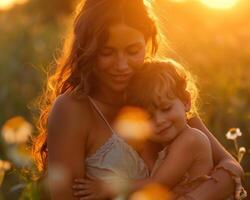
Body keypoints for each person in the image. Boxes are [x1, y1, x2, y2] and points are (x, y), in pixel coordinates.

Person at [32, 0, 245, 199]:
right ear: (87, 49)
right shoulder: (73, 109)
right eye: (107, 52)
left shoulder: (162, 93)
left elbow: (231, 169)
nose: (122, 65)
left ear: (148, 41)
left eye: (133, 51)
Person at [71, 60, 245, 200]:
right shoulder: (164, 142)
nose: (160, 121)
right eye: (149, 117)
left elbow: (157, 184)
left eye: (166, 108)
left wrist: (109, 188)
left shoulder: (190, 139)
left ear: (186, 102)